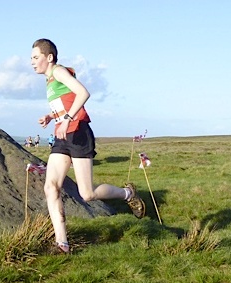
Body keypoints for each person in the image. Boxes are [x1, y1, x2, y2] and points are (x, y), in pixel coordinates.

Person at [31, 38, 146, 254]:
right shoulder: (49, 80)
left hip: (79, 134)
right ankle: (62, 244)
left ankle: (127, 193)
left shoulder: (58, 72)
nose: (32, 62)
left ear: (49, 57)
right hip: (62, 136)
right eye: (31, 58)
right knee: (51, 187)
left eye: (35, 57)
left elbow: (84, 93)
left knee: (87, 194)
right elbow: (68, 100)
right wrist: (51, 116)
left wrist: (66, 117)